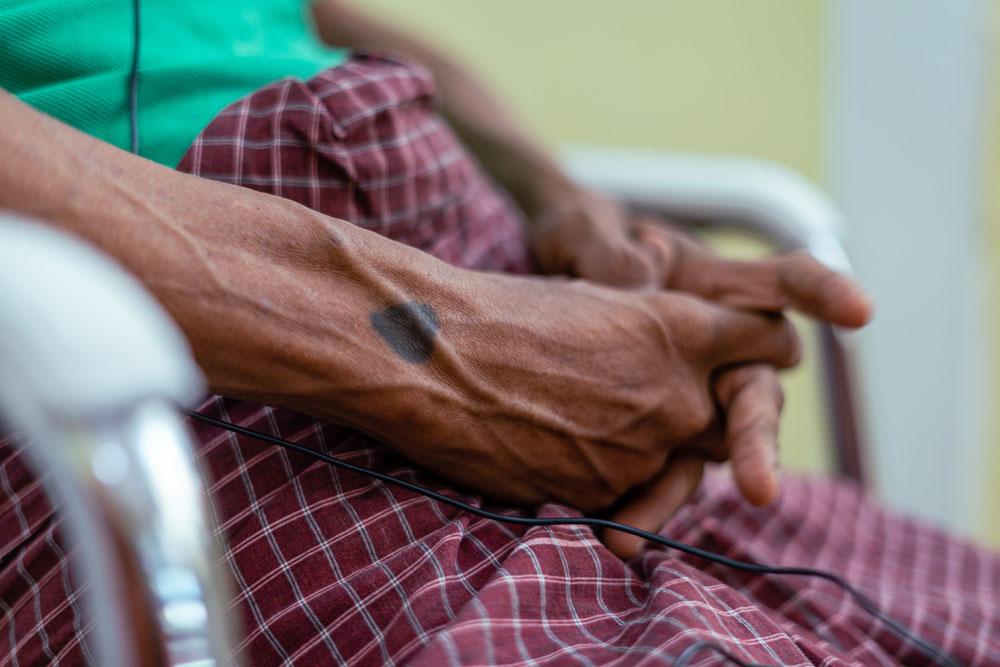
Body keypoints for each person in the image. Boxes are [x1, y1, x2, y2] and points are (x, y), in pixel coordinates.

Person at [0, 2, 996, 665]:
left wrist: (565, 213)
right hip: (156, 384)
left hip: (483, 310)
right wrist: (449, 350)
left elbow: (313, 23)